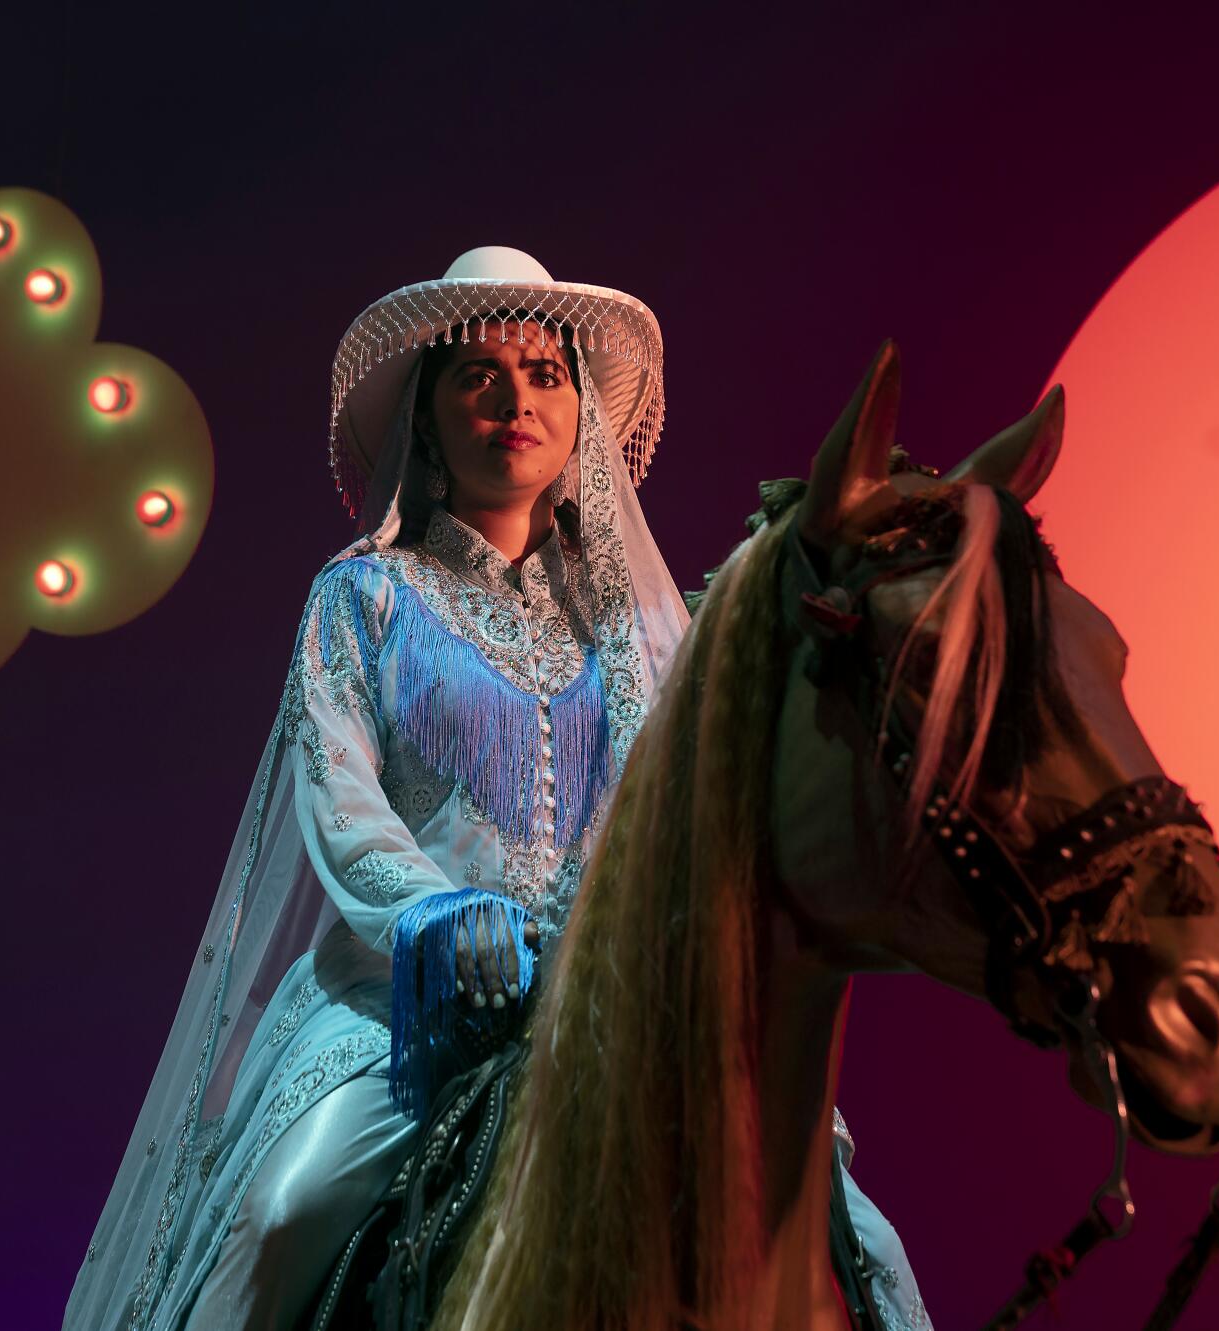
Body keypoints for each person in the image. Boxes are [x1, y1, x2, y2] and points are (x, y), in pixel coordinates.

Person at [64, 247, 930, 1330]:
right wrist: (433, 908)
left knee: (869, 1249)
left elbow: (684, 817)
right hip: (397, 1004)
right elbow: (339, 802)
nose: (514, 399)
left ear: (580, 417)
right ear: (427, 418)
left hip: (604, 998)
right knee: (289, 1209)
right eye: (477, 375)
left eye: (543, 372)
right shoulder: (362, 597)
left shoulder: (632, 627)